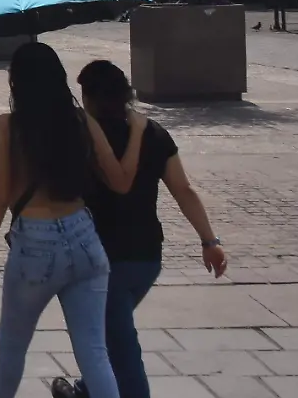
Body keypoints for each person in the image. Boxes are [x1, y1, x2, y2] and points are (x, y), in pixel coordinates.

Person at [0, 41, 145, 398]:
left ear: (16, 83)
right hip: (83, 238)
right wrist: (137, 131)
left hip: (35, 244)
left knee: (13, 347)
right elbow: (122, 181)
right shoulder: (82, 122)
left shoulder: (7, 128)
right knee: (94, 352)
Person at [64, 60, 227, 398]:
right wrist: (208, 240)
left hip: (101, 259)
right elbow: (184, 190)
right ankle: (86, 387)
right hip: (146, 258)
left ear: (90, 97)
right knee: (112, 332)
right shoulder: (153, 133)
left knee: (122, 348)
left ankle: (94, 389)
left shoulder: (82, 136)